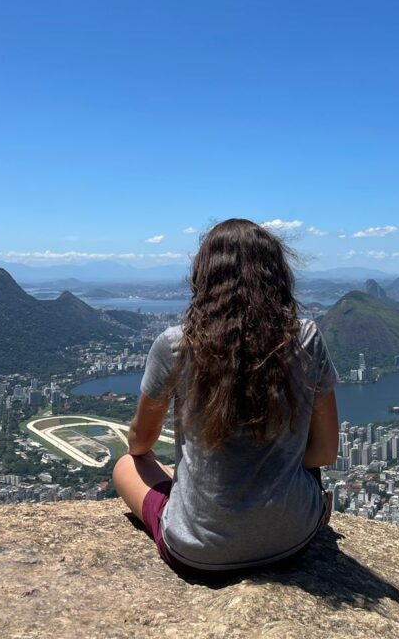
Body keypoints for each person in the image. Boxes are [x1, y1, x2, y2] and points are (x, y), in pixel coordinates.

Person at [113, 218, 340, 577]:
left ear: (203, 277)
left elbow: (140, 442)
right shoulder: (305, 337)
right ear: (276, 275)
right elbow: (325, 453)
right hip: (293, 538)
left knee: (125, 464)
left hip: (197, 551)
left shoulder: (176, 344)